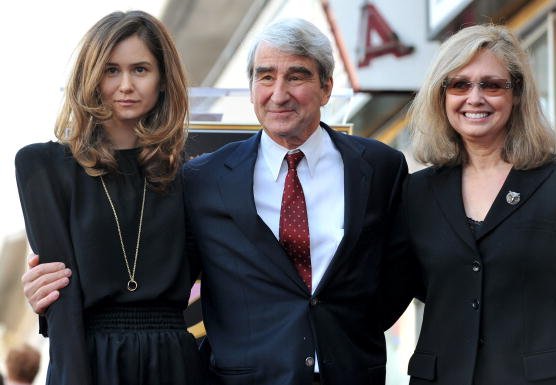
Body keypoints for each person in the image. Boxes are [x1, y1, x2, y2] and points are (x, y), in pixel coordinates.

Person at [22, 18, 412, 385]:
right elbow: (151, 269)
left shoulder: (380, 167)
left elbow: (399, 274)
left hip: (350, 371)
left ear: (326, 87)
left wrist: (349, 331)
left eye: (297, 76)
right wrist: (45, 293)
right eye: (266, 77)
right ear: (252, 88)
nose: (279, 93)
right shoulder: (206, 177)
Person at [15, 10, 204, 385]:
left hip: (175, 361)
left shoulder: (192, 174)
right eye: (111, 70)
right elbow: (61, 299)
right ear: (91, 76)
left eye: (140, 69)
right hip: (90, 358)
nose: (126, 85)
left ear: (163, 79)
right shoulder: (44, 167)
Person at [398, 24, 556, 384]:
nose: (475, 98)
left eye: (491, 84)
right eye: (459, 84)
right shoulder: (415, 193)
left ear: (516, 94)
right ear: (441, 96)